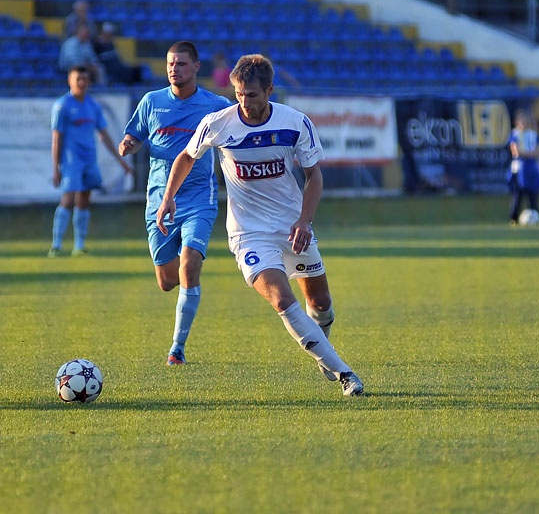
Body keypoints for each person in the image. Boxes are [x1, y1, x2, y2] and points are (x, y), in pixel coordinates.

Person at [155, 54, 364, 397]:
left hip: (293, 227)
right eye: (239, 94)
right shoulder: (218, 122)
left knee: (322, 304)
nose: (244, 102)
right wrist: (168, 198)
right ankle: (345, 374)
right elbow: (187, 157)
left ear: (269, 90)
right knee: (282, 301)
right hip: (248, 233)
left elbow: (314, 177)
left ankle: (322, 350)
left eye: (251, 95)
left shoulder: (295, 122)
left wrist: (304, 220)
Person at [119, 41, 233, 366]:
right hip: (158, 201)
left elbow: (241, 126)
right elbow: (134, 135)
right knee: (168, 281)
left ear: (196, 67)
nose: (174, 69)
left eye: (181, 63)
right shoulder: (151, 102)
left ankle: (176, 349)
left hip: (199, 198)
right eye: (170, 63)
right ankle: (182, 300)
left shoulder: (215, 106)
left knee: (189, 265)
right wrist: (128, 143)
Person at [48, 66, 133, 257]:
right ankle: (56, 244)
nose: (82, 83)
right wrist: (56, 168)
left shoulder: (93, 106)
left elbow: (104, 135)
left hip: (89, 160)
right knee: (67, 199)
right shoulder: (62, 105)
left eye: (85, 79)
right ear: (70, 80)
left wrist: (121, 161)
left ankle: (79, 245)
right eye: (78, 79)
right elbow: (57, 139)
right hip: (71, 162)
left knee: (84, 200)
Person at [507, 111, 539, 225]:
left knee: (533, 195)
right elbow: (516, 152)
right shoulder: (514, 135)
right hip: (519, 169)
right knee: (518, 195)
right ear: (517, 123)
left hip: (531, 168)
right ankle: (513, 218)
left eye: (526, 121)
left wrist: (527, 154)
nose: (525, 124)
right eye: (522, 121)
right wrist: (530, 154)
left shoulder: (533, 135)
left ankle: (536, 217)